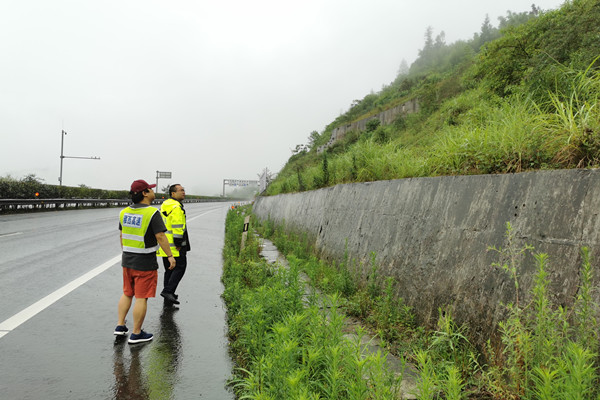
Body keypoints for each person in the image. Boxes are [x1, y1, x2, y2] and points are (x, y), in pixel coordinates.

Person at [114, 179, 176, 344]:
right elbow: (161, 236)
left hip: (127, 260)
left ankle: (120, 326)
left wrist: (127, 252)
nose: (152, 191)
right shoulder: (152, 213)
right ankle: (136, 333)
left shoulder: (124, 212)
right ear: (144, 193)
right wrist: (170, 255)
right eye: (150, 189)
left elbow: (122, 235)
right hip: (145, 262)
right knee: (141, 297)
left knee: (127, 293)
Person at [157, 184, 191, 305]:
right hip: (175, 246)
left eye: (184, 190)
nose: (184, 192)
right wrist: (179, 243)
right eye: (181, 190)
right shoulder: (176, 207)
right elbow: (177, 227)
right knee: (180, 267)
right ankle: (168, 291)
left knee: (169, 270)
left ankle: (168, 296)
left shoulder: (165, 205)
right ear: (173, 194)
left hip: (165, 245)